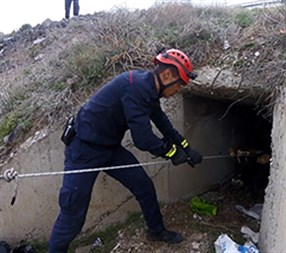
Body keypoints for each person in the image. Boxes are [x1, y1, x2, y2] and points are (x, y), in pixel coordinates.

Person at [48, 49, 203, 253]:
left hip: (109, 149)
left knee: (144, 187)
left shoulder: (149, 89)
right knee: (72, 215)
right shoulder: (136, 87)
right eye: (179, 84)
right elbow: (143, 139)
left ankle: (156, 231)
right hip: (83, 150)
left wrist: (185, 147)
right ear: (167, 75)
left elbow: (163, 123)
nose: (178, 90)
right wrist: (172, 153)